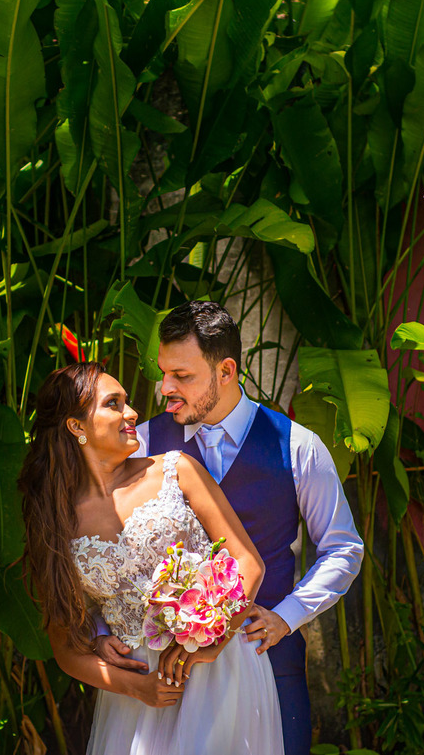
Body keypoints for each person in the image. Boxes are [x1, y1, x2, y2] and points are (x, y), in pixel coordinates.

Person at [93, 300, 365, 755]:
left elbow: (343, 547)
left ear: (226, 371)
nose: (165, 389)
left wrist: (287, 617)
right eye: (163, 373)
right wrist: (102, 631)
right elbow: (105, 545)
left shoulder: (298, 447)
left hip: (268, 663)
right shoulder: (139, 446)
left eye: (183, 376)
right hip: (160, 680)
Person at [20, 362, 284, 754]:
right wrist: (135, 686)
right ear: (76, 427)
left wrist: (215, 638)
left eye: (127, 402)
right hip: (139, 691)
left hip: (222, 669)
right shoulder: (53, 521)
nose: (132, 413)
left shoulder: (177, 471)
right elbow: (67, 649)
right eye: (114, 404)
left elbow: (247, 563)